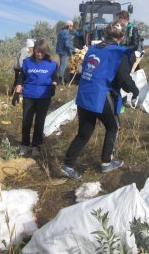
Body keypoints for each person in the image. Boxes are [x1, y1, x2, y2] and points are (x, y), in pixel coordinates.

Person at [61, 21, 139, 179]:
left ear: (105, 34)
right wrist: (135, 90)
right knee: (113, 127)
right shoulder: (119, 52)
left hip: (84, 94)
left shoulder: (92, 49)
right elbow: (123, 78)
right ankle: (106, 162)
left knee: (84, 132)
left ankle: (67, 165)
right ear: (122, 36)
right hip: (100, 95)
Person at [12, 39, 58, 157]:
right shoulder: (27, 62)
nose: (39, 54)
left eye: (42, 52)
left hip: (44, 96)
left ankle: (36, 146)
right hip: (29, 95)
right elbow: (21, 78)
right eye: (37, 51)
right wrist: (17, 92)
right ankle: (25, 144)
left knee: (39, 122)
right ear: (34, 50)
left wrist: (53, 86)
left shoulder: (52, 64)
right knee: (26, 121)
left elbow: (55, 78)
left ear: (46, 52)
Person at [56, 20, 79, 85]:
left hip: (60, 51)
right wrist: (74, 49)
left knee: (63, 66)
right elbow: (67, 44)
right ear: (68, 26)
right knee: (63, 66)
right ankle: (59, 81)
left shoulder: (61, 32)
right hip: (64, 52)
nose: (72, 27)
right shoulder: (66, 33)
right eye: (71, 26)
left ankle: (65, 79)